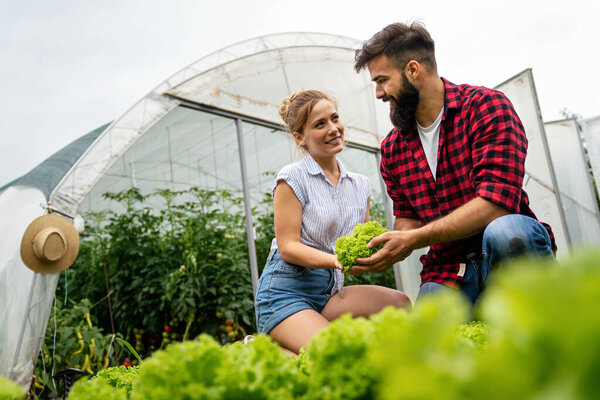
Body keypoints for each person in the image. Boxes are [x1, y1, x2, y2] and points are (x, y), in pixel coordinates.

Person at [351, 22, 556, 304]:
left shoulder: (486, 107)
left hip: (504, 247)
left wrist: (413, 239)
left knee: (508, 232)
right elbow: (408, 217)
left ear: (413, 70)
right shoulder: (392, 149)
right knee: (431, 334)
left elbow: (495, 203)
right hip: (449, 269)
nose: (378, 93)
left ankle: (541, 319)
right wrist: (393, 245)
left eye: (382, 80)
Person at [254, 90, 411, 355]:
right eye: (320, 124)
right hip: (285, 291)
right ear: (300, 137)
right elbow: (288, 246)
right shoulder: (292, 178)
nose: (333, 129)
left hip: (329, 291)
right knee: (337, 354)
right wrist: (338, 259)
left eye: (334, 118)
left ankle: (294, 347)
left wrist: (370, 256)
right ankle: (275, 350)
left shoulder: (359, 185)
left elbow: (358, 243)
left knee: (399, 303)